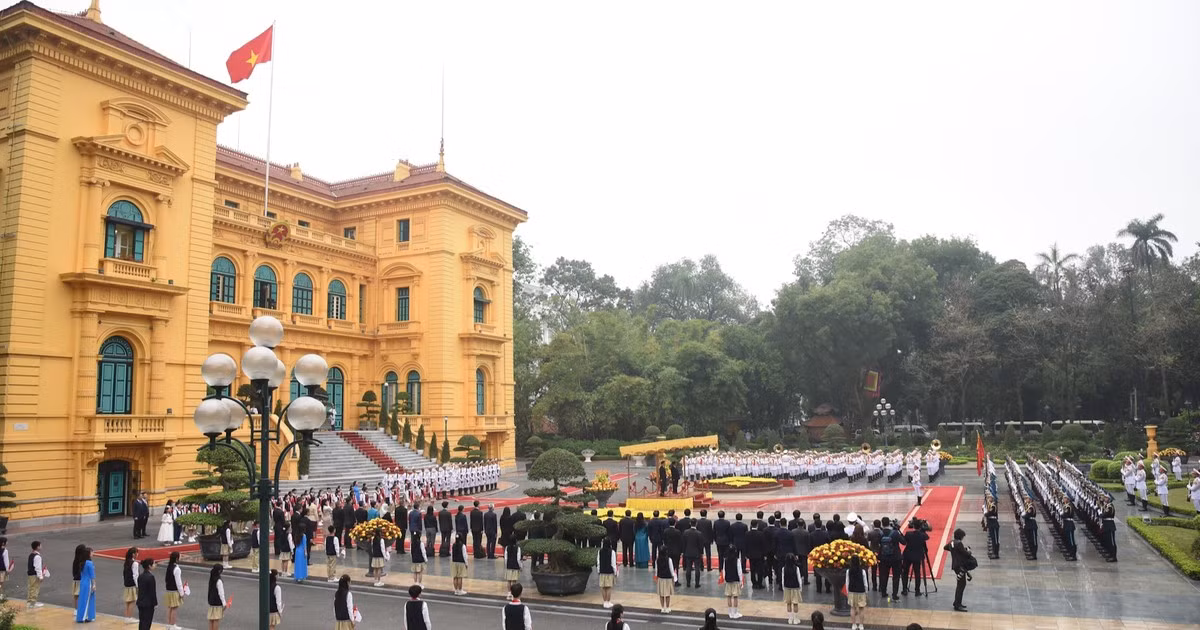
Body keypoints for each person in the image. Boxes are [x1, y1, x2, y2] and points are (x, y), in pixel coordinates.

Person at [944, 528, 973, 612]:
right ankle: (957, 604)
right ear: (960, 536)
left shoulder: (952, 542)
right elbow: (966, 554)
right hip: (960, 566)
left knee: (960, 584)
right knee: (961, 585)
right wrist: (968, 551)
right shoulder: (959, 543)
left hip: (955, 566)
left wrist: (954, 551)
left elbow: (945, 547)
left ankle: (957, 602)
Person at [878, 518, 902, 600]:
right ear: (889, 523)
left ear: (882, 524)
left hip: (884, 557)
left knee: (884, 575)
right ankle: (894, 594)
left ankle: (883, 592)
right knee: (896, 576)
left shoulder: (880, 533)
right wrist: (899, 530)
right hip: (895, 557)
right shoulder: (895, 533)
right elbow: (904, 542)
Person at [901, 520, 927, 596]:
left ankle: (904, 589)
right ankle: (917, 591)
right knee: (917, 573)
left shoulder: (908, 534)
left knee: (905, 572)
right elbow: (926, 538)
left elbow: (904, 542)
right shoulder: (922, 535)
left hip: (907, 555)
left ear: (913, 526)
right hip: (917, 556)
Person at [721, 545, 744, 619]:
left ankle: (730, 612)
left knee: (729, 596)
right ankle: (735, 612)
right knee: (735, 597)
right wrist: (741, 581)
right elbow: (739, 571)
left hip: (728, 580)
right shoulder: (737, 560)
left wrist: (724, 579)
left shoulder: (726, 559)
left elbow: (724, 570)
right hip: (735, 580)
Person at [846, 555, 869, 630]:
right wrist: (866, 592)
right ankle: (861, 625)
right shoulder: (862, 571)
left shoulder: (848, 571)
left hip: (852, 591)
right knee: (861, 609)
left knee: (852, 608)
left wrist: (847, 592)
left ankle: (854, 625)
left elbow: (847, 582)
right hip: (861, 591)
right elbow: (865, 583)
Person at [74, 547, 96, 623]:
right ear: (89, 554)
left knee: (82, 599)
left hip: (83, 582)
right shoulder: (89, 563)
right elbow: (92, 575)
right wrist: (94, 585)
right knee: (88, 600)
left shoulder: (82, 563)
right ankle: (85, 617)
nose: (93, 553)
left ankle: (81, 616)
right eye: (92, 552)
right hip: (88, 583)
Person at [781, 553, 803, 625]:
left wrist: (783, 587)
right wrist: (800, 587)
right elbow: (799, 578)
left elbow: (783, 579)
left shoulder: (783, 568)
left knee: (788, 603)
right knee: (795, 603)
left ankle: (790, 619)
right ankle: (795, 619)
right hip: (795, 588)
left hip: (787, 587)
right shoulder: (796, 568)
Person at [655, 542, 677, 613]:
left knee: (661, 594)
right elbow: (671, 570)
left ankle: (662, 608)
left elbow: (656, 570)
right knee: (667, 594)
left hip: (660, 578)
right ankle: (667, 608)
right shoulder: (669, 559)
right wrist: (674, 579)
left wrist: (656, 578)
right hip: (668, 579)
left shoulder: (657, 560)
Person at [597, 537, 618, 608]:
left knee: (603, 587)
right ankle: (608, 601)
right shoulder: (612, 552)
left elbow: (598, 562)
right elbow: (613, 563)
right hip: (609, 572)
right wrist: (615, 572)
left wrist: (598, 570)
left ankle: (605, 601)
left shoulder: (600, 551)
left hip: (602, 571)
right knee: (609, 587)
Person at [683, 519, 705, 588]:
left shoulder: (685, 532)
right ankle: (697, 584)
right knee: (697, 568)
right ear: (696, 524)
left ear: (690, 523)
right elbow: (701, 545)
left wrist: (684, 551)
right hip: (696, 553)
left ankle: (688, 583)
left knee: (688, 568)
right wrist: (701, 553)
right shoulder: (699, 533)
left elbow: (684, 543)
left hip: (688, 552)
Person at [136, 558, 157, 630]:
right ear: (149, 566)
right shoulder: (151, 577)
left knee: (142, 621)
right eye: (154, 563)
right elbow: (152, 592)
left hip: (140, 602)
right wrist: (155, 603)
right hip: (148, 604)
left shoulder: (140, 576)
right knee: (147, 622)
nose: (155, 565)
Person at [165, 552, 183, 630]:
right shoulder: (176, 569)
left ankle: (169, 624)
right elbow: (178, 582)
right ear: (177, 558)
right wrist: (181, 593)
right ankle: (173, 625)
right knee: (174, 608)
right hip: (174, 590)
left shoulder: (169, 566)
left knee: (170, 607)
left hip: (169, 590)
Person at [123, 547, 141, 622]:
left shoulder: (126, 562)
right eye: (137, 553)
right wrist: (138, 586)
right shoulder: (135, 563)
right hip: (132, 584)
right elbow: (135, 576)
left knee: (128, 601)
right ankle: (129, 617)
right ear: (134, 554)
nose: (138, 554)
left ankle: (127, 617)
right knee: (132, 601)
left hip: (127, 584)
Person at [207, 564, 228, 630]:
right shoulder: (219, 581)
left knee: (211, 619)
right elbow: (221, 593)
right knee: (216, 619)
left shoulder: (212, 578)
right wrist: (224, 603)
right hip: (217, 602)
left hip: (211, 602)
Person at [70, 543, 86, 609]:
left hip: (75, 579)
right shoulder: (83, 561)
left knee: (76, 596)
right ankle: (80, 609)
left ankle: (76, 609)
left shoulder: (75, 560)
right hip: (81, 580)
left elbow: (74, 571)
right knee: (82, 595)